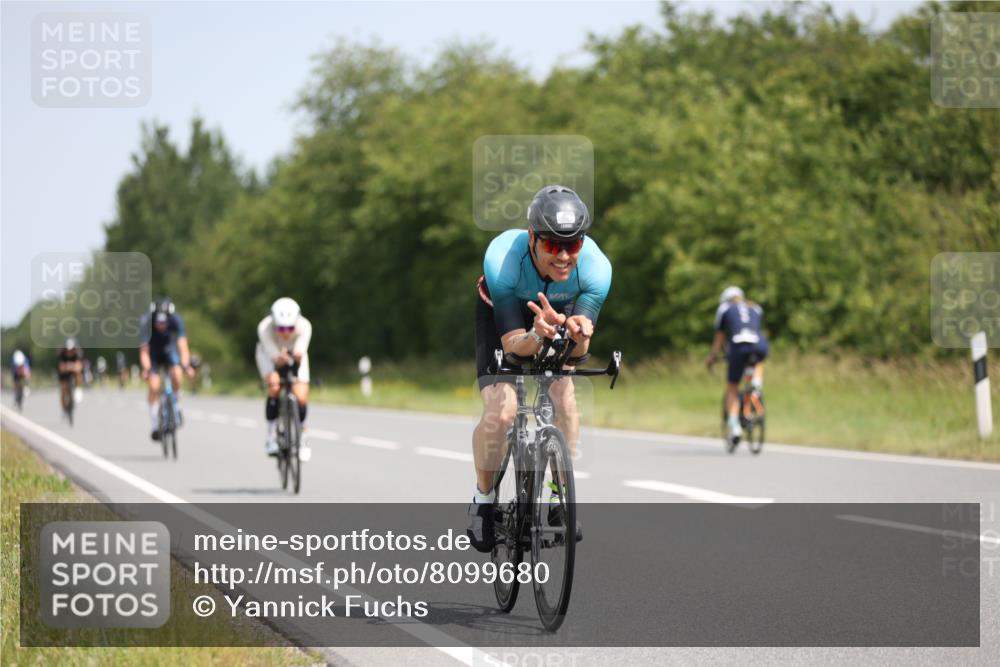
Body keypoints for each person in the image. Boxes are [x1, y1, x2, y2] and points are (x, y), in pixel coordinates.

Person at [467, 184, 612, 553]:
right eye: (552, 245)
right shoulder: (502, 260)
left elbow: (580, 350)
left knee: (564, 394)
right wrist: (536, 332)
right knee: (502, 412)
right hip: (507, 319)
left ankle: (556, 496)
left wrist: (579, 333)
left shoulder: (596, 269)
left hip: (555, 319)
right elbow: (514, 345)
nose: (564, 256)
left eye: (573, 245)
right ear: (532, 238)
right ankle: (483, 501)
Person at [706, 286, 769, 445]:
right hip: (759, 345)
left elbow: (720, 338)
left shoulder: (725, 308)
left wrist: (713, 357)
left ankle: (734, 428)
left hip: (738, 345)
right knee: (758, 359)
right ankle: (756, 385)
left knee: (732, 387)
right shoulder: (755, 307)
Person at [256, 297, 312, 460]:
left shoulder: (305, 326)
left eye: (290, 328)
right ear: (274, 323)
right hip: (268, 354)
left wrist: (295, 363)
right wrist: (280, 360)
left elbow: (300, 352)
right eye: (281, 328)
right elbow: (275, 357)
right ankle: (271, 436)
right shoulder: (264, 327)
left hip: (296, 354)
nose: (286, 333)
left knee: (300, 396)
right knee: (274, 386)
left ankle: (303, 438)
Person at [139, 298, 194, 440]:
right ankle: (155, 425)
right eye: (158, 322)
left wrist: (186, 365)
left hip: (169, 350)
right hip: (153, 353)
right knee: (154, 386)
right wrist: (146, 369)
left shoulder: (176, 320)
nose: (161, 325)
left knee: (176, 373)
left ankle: (176, 405)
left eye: (164, 322)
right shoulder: (146, 322)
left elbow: (182, 346)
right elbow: (144, 351)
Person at [57, 338, 85, 412]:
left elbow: (79, 366)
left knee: (79, 374)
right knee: (63, 388)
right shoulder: (62, 353)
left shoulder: (78, 353)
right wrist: (68, 367)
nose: (69, 352)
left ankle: (78, 389)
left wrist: (71, 367)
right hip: (64, 372)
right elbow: (61, 367)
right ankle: (63, 408)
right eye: (68, 350)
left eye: (71, 350)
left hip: (73, 371)